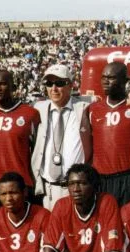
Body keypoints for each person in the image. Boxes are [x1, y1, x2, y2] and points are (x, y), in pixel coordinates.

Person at [38, 164, 123, 252]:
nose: (76, 189)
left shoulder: (107, 202)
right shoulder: (62, 206)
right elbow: (50, 247)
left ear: (94, 186)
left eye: (82, 183)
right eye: (71, 184)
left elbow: (111, 248)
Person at [0, 70, 40, 219]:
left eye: (3, 84)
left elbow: (38, 150)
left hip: (20, 184)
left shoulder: (31, 114)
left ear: (14, 86)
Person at [29, 64, 93, 210]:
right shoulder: (38, 108)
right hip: (48, 190)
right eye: (49, 83)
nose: (54, 88)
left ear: (71, 85)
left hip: (76, 189)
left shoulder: (84, 107)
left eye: (59, 83)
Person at [87, 62, 130, 206]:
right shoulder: (92, 109)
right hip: (100, 180)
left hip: (127, 179)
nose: (106, 81)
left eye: (111, 78)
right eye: (103, 77)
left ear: (125, 81)